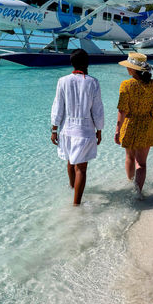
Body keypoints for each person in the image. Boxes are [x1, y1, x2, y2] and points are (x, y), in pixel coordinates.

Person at [51, 49, 104, 205]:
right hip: (84, 130)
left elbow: (57, 106)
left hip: (66, 130)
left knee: (70, 162)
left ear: (72, 63)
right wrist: (99, 129)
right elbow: (97, 109)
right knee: (81, 168)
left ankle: (72, 189)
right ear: (87, 63)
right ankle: (76, 204)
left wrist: (54, 129)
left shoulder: (62, 81)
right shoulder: (93, 82)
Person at [115, 52, 153, 194]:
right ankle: (138, 192)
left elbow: (122, 110)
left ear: (134, 69)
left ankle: (130, 186)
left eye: (129, 66)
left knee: (129, 157)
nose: (127, 68)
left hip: (130, 125)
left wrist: (117, 130)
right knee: (142, 163)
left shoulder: (126, 85)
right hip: (147, 125)